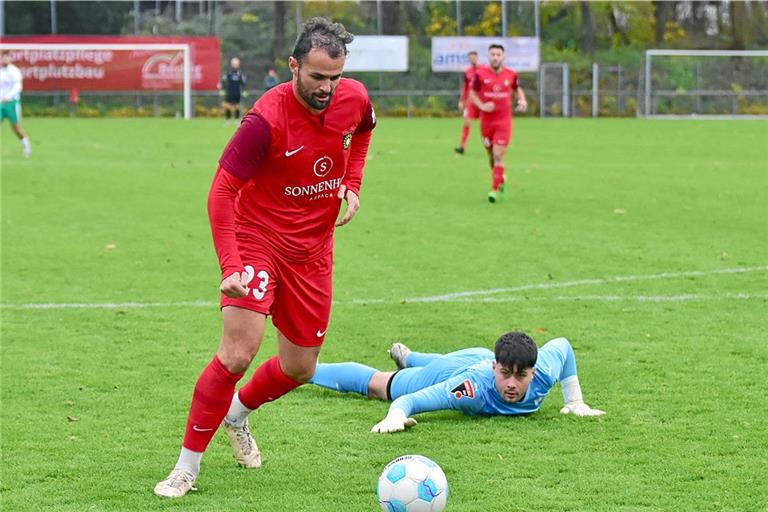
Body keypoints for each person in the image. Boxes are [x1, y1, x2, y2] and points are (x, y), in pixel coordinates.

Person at [154, 17, 376, 498]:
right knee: (237, 352)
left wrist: (351, 183)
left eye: (334, 78)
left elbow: (361, 132)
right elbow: (220, 193)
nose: (327, 88)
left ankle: (237, 415)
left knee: (301, 367)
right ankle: (186, 468)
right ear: (293, 66)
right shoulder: (265, 120)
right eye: (317, 77)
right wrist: (231, 266)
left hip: (313, 251)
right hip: (258, 239)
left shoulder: (354, 98)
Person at [309, 332, 605, 433]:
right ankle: (304, 371)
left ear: (533, 371)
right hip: (455, 370)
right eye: (505, 374)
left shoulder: (543, 371)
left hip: (477, 357)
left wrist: (574, 401)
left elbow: (563, 346)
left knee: (444, 360)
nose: (512, 383)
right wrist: (397, 416)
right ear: (495, 368)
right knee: (379, 385)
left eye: (520, 375)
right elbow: (410, 401)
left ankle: (410, 356)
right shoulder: (469, 389)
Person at [469, 44, 528, 203]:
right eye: (492, 54)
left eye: (498, 54)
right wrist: (482, 106)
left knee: (498, 154)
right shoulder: (480, 74)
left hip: (503, 122)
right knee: (490, 156)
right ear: (488, 56)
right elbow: (472, 94)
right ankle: (499, 177)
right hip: (486, 123)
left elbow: (517, 89)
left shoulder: (511, 74)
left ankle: (494, 189)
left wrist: (522, 100)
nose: (495, 57)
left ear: (503, 57)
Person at [1, 53, 31, 157]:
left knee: (15, 127)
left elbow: (18, 87)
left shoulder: (14, 71)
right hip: (0, 103)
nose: (4, 59)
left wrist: (8, 97)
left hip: (12, 103)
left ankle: (26, 144)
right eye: (2, 57)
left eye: (6, 57)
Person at [454, 51, 479, 155]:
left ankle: (492, 144)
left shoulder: (484, 70)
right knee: (467, 122)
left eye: (474, 57)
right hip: (470, 102)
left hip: (482, 102)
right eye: (471, 58)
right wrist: (462, 100)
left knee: (487, 125)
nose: (472, 59)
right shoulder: (467, 72)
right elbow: (465, 87)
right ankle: (462, 147)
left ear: (477, 58)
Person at [220, 57, 247, 123]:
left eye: (236, 63)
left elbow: (243, 82)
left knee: (237, 106)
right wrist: (222, 89)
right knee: (227, 105)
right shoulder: (228, 72)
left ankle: (236, 119)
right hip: (229, 91)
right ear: (231, 64)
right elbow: (223, 81)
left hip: (237, 91)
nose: (235, 65)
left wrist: (244, 90)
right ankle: (228, 119)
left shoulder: (240, 73)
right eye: (234, 63)